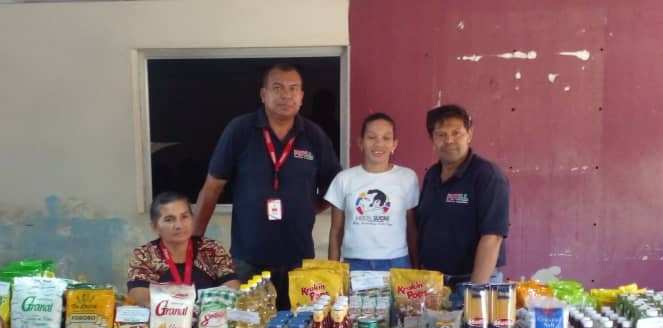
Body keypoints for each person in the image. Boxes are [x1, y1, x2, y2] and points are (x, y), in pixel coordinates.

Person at [193, 63, 341, 309]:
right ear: (263, 94)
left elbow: (335, 187)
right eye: (278, 88)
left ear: (301, 96)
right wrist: (194, 242)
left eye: (293, 88)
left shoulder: (314, 135)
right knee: (246, 325)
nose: (286, 95)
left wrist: (311, 207)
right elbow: (212, 188)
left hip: (298, 257)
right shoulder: (240, 130)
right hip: (247, 257)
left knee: (297, 325)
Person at [415, 104, 510, 307]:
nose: (449, 140)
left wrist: (475, 293)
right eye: (441, 134)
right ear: (432, 140)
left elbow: (492, 237)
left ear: (469, 135)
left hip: (472, 282)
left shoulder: (487, 176)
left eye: (456, 133)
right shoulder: (432, 175)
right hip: (434, 285)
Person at [325, 113, 420, 271]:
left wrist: (416, 267)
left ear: (394, 144)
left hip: (397, 263)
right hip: (354, 264)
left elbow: (412, 229)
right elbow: (336, 231)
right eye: (371, 137)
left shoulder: (407, 178)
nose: (379, 144)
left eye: (386, 138)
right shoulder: (344, 179)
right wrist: (332, 271)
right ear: (361, 142)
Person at [127, 191, 240, 306]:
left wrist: (202, 308)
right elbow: (138, 295)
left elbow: (232, 285)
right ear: (155, 227)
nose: (179, 225)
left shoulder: (211, 249)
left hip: (209, 314)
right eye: (169, 219)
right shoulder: (145, 254)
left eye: (184, 217)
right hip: (164, 316)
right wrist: (179, 309)